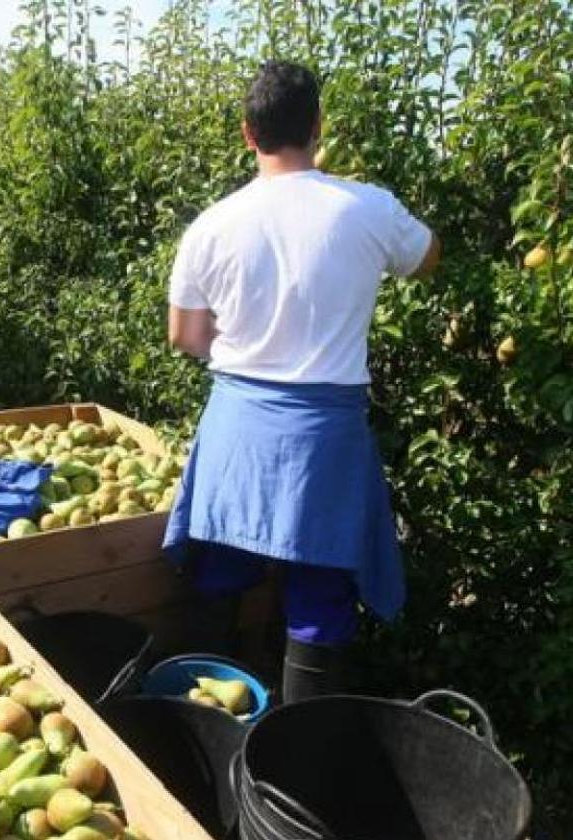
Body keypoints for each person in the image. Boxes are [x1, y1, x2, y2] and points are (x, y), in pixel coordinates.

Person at [163, 61, 441, 702]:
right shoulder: (367, 208)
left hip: (238, 427)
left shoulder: (211, 224)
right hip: (324, 436)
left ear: (246, 133)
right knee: (319, 597)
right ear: (318, 126)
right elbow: (427, 258)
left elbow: (185, 337)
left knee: (219, 576)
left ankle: (198, 735)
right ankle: (295, 765)